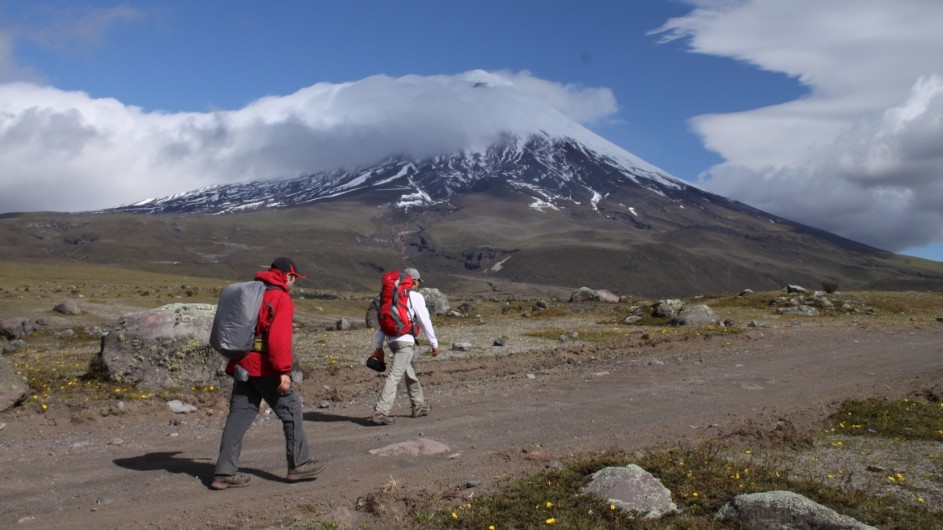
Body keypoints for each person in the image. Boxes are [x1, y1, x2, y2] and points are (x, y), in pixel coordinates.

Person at [211, 257, 325, 490]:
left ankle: (223, 472)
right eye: (294, 278)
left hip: (242, 363)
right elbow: (278, 340)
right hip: (263, 367)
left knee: (239, 416)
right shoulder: (280, 298)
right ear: (287, 276)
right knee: (291, 408)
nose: (294, 283)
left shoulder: (255, 293)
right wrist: (283, 371)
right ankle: (298, 464)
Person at [370, 267, 440, 425]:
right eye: (418, 282)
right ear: (413, 281)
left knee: (410, 373)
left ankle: (418, 406)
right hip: (406, 341)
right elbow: (424, 320)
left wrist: (378, 347)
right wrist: (434, 343)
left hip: (391, 340)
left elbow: (382, 324)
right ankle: (380, 412)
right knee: (394, 376)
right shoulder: (414, 296)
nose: (418, 285)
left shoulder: (390, 297)